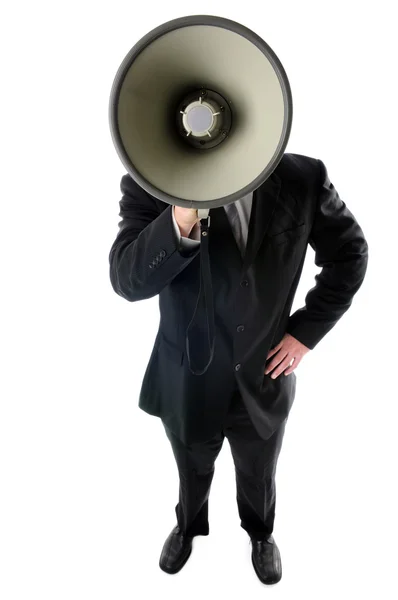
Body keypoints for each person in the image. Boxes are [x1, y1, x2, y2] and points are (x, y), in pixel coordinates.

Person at [108, 152, 368, 584]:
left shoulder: (303, 177)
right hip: (186, 377)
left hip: (264, 376)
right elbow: (126, 280)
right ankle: (188, 527)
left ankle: (261, 533)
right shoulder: (148, 178)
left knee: (258, 472)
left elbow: (350, 253)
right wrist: (181, 217)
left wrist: (306, 333)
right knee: (191, 467)